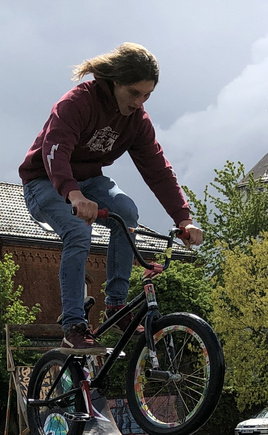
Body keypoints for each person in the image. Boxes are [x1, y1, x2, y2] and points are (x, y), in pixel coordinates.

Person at [20, 42, 204, 353]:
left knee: (127, 212)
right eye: (135, 93)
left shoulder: (136, 121)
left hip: (90, 182)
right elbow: (55, 152)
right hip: (44, 182)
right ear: (115, 81)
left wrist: (183, 217)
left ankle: (116, 305)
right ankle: (74, 326)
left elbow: (157, 169)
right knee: (79, 231)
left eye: (147, 95)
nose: (140, 102)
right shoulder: (76, 103)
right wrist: (74, 194)